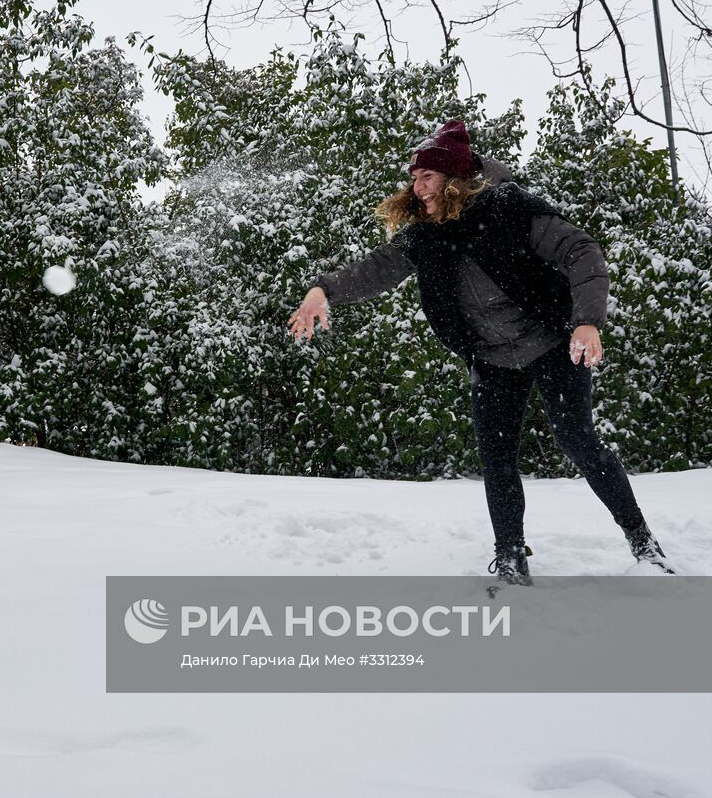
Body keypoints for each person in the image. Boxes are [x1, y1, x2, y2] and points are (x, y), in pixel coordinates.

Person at [287, 120, 674, 585]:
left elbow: (581, 250)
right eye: (414, 178)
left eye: (427, 176)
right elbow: (376, 269)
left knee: (578, 442)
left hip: (551, 342)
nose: (417, 187)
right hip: (491, 358)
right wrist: (322, 291)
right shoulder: (424, 235)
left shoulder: (508, 207)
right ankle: (510, 557)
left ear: (453, 178)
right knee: (496, 459)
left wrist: (587, 320)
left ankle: (642, 542)